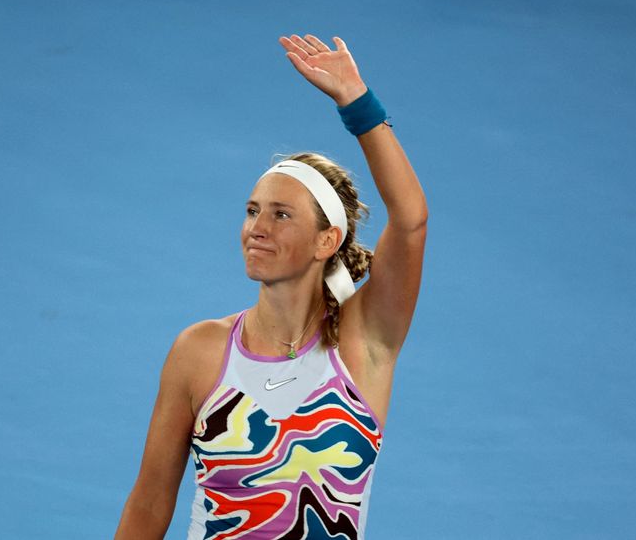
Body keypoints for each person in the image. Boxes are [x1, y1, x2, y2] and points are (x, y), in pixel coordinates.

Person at [115, 34, 427, 539]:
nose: (257, 228)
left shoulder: (364, 342)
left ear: (327, 239)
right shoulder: (199, 351)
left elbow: (410, 220)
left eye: (281, 215)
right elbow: (150, 502)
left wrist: (358, 105)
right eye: (253, 210)